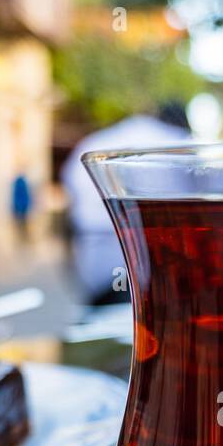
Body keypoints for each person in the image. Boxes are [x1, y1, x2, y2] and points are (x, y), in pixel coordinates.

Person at [60, 104, 191, 303]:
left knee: (108, 312)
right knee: (134, 312)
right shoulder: (177, 141)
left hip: (95, 254)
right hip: (145, 256)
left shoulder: (99, 140)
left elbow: (70, 191)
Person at [11, 171, 32, 243]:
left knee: (23, 224)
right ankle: (20, 239)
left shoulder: (24, 181)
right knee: (20, 224)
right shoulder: (19, 181)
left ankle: (23, 239)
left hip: (23, 206)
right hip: (20, 206)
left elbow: (27, 195)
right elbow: (17, 195)